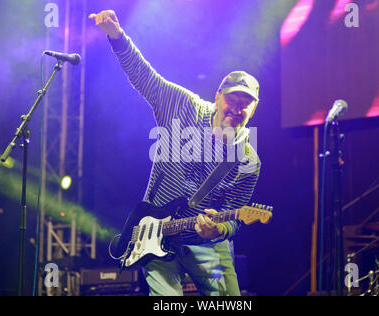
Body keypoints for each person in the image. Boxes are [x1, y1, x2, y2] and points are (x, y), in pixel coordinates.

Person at [89, 10, 261, 296]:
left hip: (204, 242)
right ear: (218, 98)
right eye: (232, 99)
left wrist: (218, 231)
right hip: (153, 230)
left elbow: (234, 219)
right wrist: (117, 36)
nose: (237, 108)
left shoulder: (248, 162)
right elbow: (145, 78)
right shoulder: (184, 106)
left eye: (246, 103)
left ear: (253, 109)